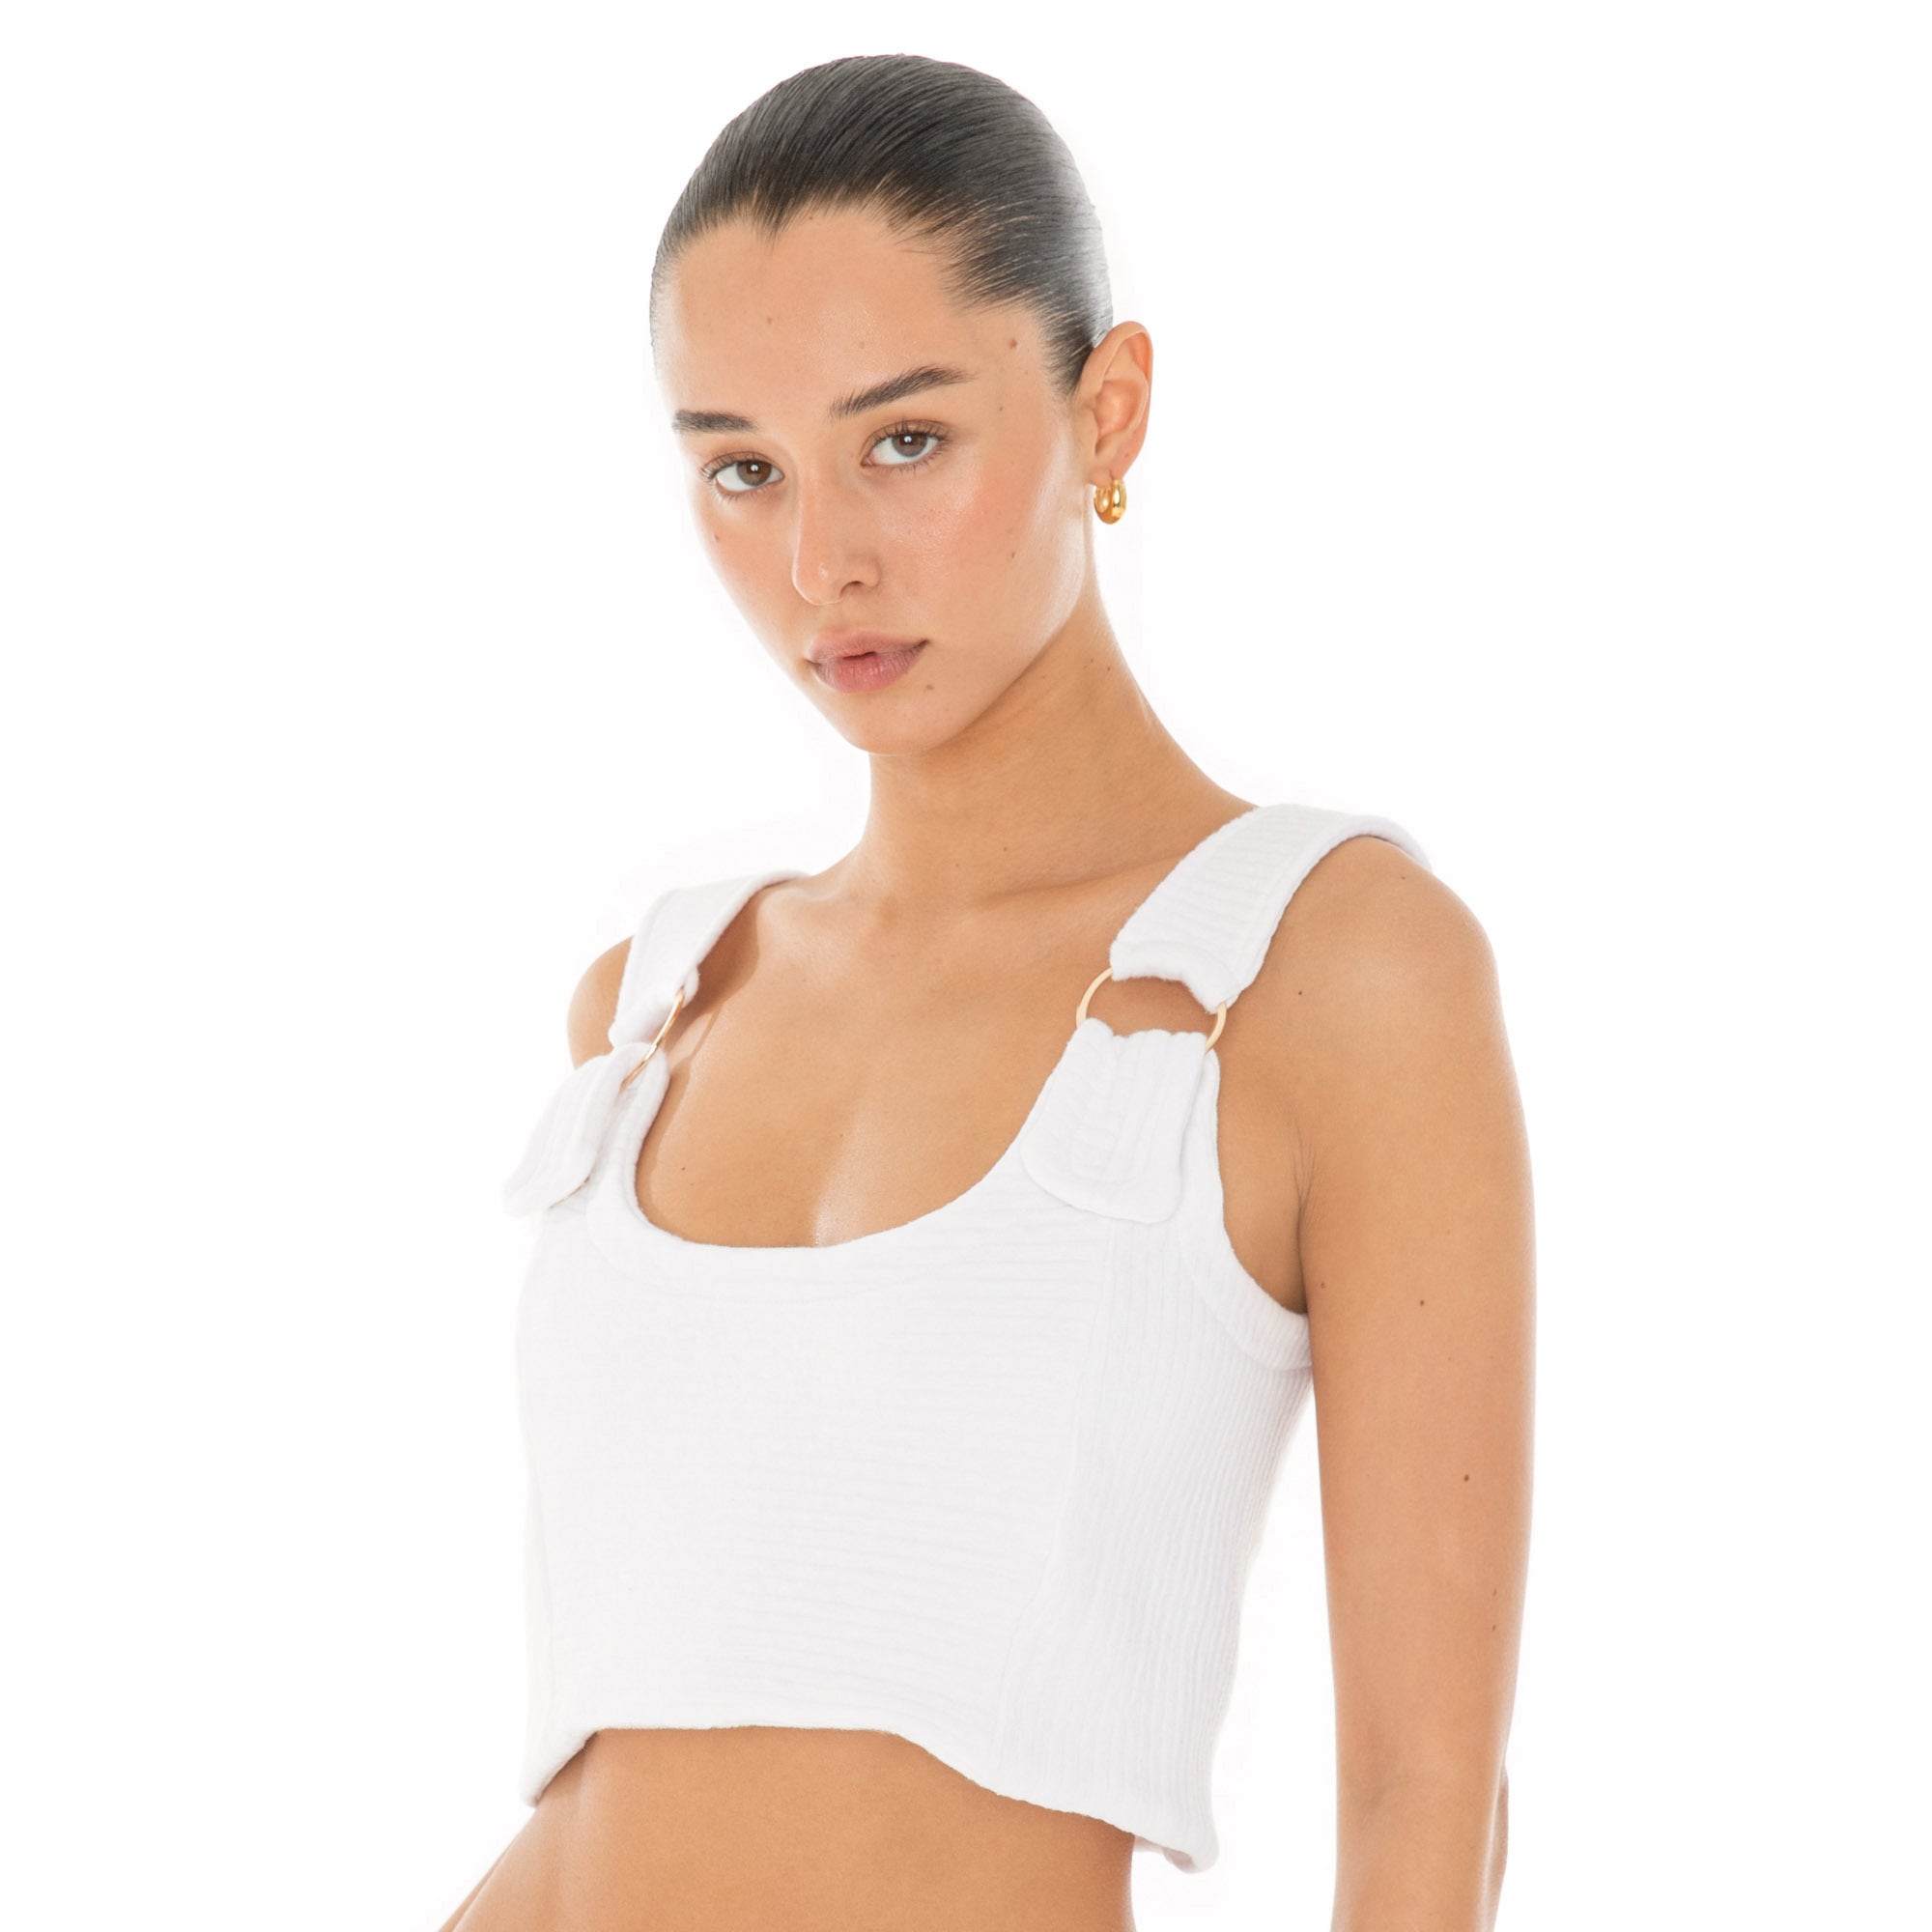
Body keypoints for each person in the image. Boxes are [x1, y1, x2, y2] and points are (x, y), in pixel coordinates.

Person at [440, 51, 1533, 1932]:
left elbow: (1422, 1796)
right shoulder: (656, 1001)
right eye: (742, 468)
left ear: (1109, 408)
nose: (821, 562)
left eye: (906, 441)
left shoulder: (1328, 971)